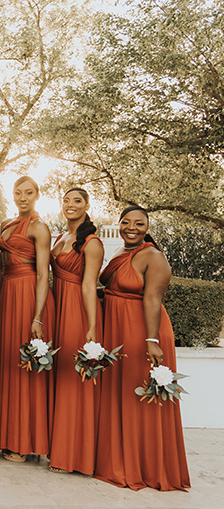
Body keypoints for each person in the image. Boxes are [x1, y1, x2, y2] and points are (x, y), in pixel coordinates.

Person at [94, 206, 190, 491]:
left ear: (147, 227)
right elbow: (113, 288)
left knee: (140, 398)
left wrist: (152, 341)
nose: (131, 227)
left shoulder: (153, 256)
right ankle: (120, 460)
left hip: (143, 332)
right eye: (126, 222)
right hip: (118, 329)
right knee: (122, 393)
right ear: (119, 224)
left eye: (139, 223)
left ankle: (146, 467)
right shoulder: (118, 252)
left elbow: (152, 299)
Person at [0, 176, 54, 463]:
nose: (23, 197)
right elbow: (0, 269)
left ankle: (25, 441)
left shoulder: (40, 227)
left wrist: (37, 316)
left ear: (37, 195)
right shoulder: (6, 225)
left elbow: (43, 273)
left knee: (26, 369)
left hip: (29, 296)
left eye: (29, 193)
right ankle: (5, 436)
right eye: (18, 192)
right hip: (8, 297)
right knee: (6, 367)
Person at [47, 187, 103, 474]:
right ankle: (59, 447)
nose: (70, 205)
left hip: (77, 313)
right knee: (60, 378)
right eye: (66, 200)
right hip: (58, 310)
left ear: (87, 205)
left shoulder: (92, 242)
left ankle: (74, 457)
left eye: (77, 201)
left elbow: (90, 285)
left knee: (74, 381)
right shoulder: (61, 237)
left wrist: (92, 326)